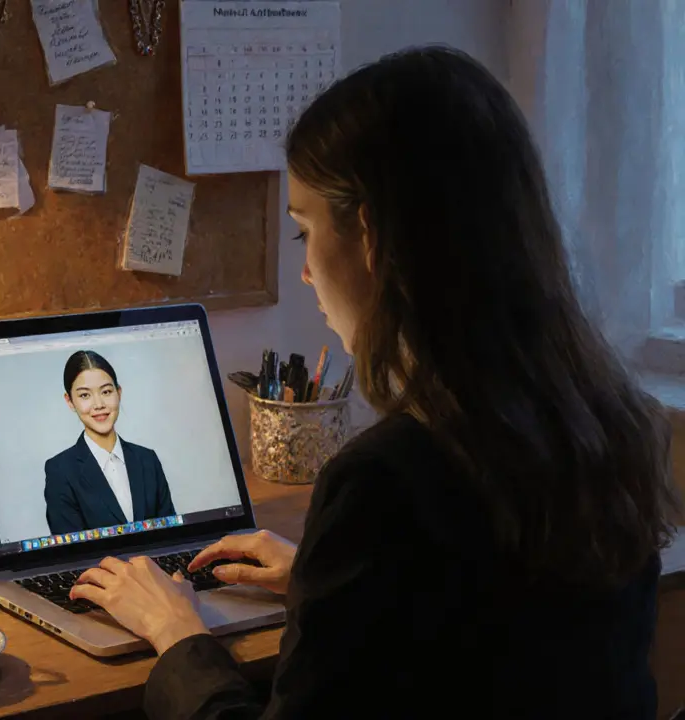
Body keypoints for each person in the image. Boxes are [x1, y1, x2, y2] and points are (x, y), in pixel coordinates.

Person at [69, 46, 680, 719]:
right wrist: (325, 582)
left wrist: (178, 634)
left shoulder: (386, 482)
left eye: (303, 232)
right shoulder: (605, 429)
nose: (306, 272)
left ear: (369, 235)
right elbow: (481, 632)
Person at [44, 350, 176, 535]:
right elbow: (71, 548)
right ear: (70, 401)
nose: (99, 404)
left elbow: (172, 535)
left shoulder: (147, 459)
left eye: (106, 392)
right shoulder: (60, 471)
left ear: (118, 392)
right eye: (85, 395)